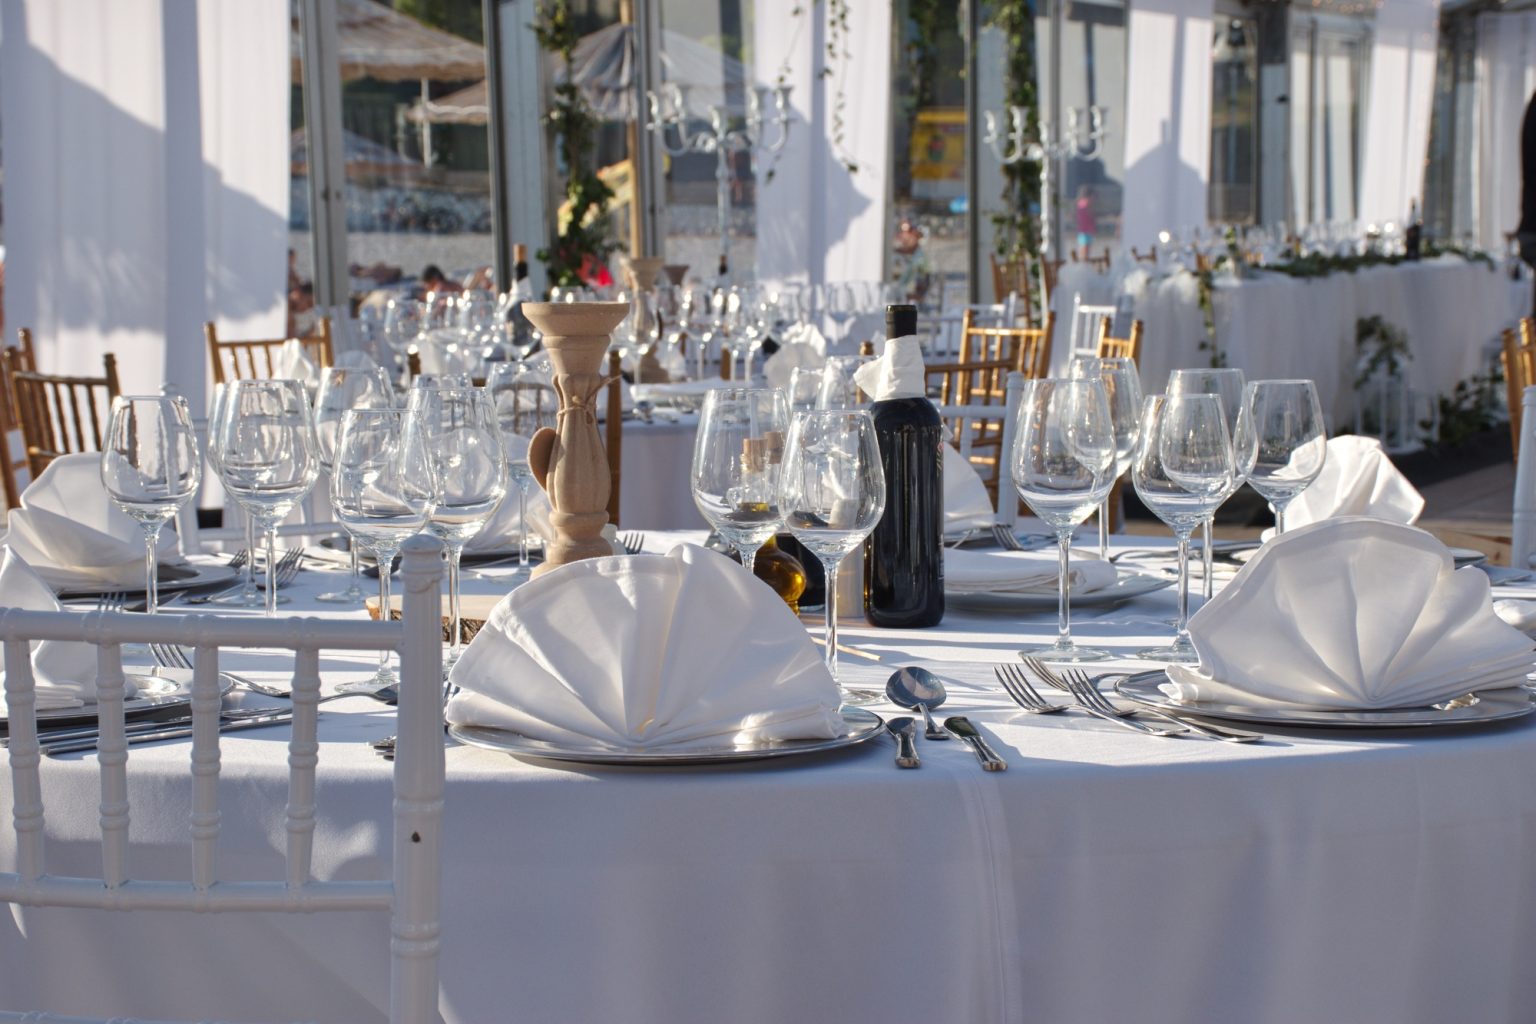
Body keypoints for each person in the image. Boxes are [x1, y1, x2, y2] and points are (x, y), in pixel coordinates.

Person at [1075, 185, 1096, 259]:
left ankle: (1083, 262)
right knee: (1085, 252)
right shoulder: (1086, 204)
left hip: (1083, 230)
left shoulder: (1080, 204)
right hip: (1086, 231)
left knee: (1084, 250)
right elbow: (1090, 217)